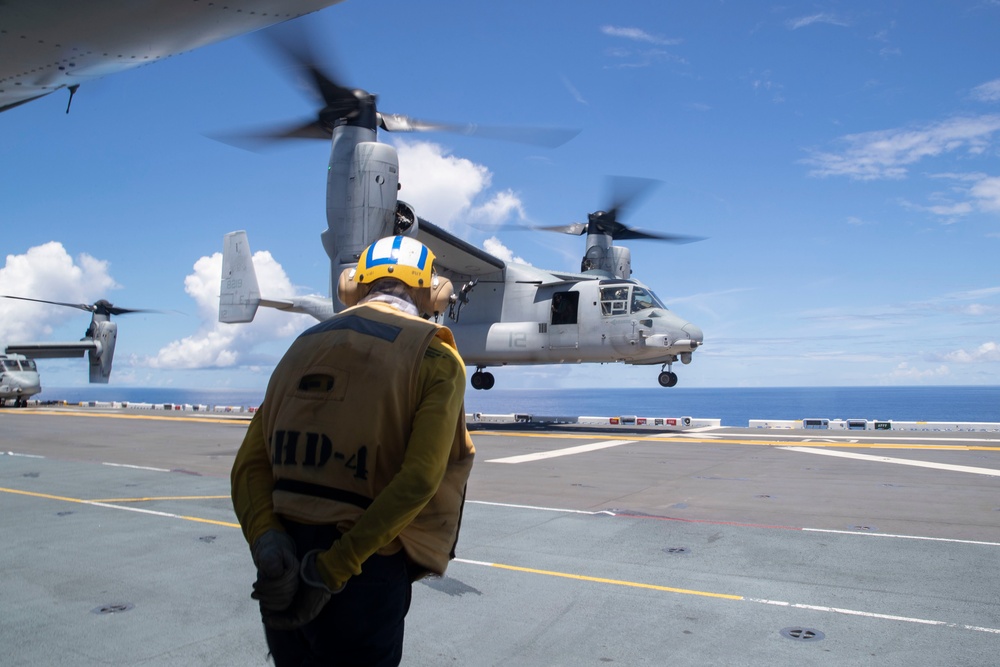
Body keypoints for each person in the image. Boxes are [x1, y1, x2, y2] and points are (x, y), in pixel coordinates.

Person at [231, 235, 476, 667]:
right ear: (433, 290)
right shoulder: (435, 356)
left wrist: (268, 545)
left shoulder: (302, 347)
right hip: (362, 566)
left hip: (283, 563)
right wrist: (332, 570)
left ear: (353, 285)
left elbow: (250, 465)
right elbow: (419, 479)